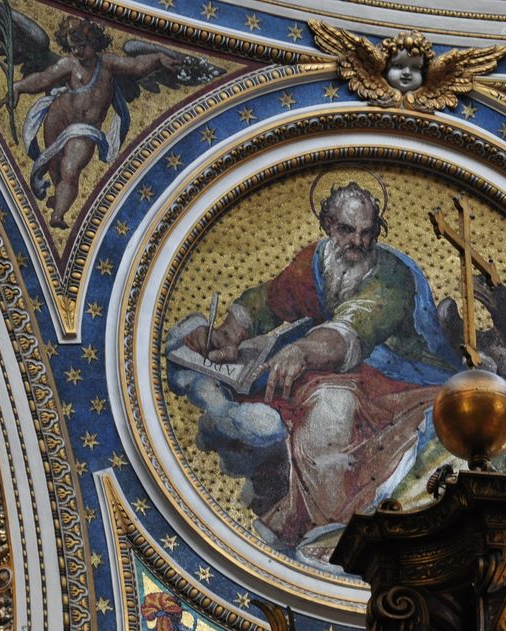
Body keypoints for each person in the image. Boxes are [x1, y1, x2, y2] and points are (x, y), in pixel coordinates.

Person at [183, 181, 462, 548]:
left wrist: (301, 352)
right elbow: (269, 299)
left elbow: (353, 328)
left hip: (401, 373)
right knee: (295, 394)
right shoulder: (316, 261)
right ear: (329, 225)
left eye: (367, 233)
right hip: (339, 365)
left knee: (329, 405)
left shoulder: (392, 277)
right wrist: (229, 333)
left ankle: (334, 525)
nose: (357, 242)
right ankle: (317, 514)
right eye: (347, 230)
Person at [1, 18, 183, 229]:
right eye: (73, 47)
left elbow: (136, 65)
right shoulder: (69, 64)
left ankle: (58, 215)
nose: (77, 51)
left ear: (94, 42)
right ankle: (58, 198)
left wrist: (159, 58)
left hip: (85, 129)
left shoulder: (107, 63)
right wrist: (18, 87)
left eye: (82, 46)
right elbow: (43, 78)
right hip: (58, 118)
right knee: (56, 167)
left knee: (70, 168)